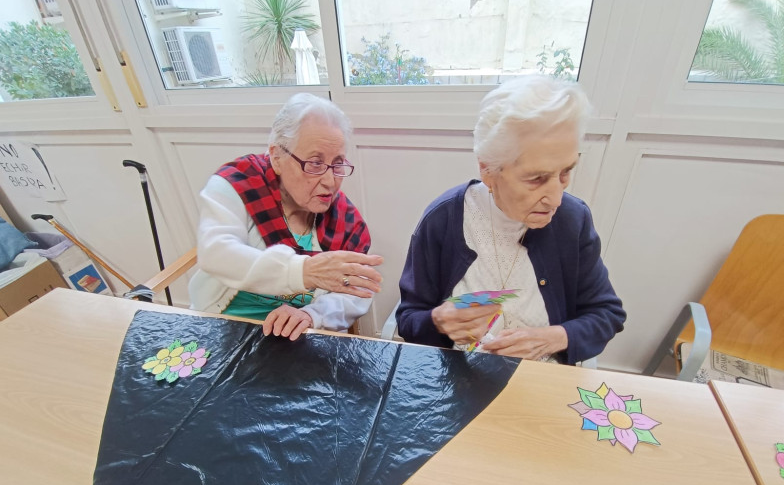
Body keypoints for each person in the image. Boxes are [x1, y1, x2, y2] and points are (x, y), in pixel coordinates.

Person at [396, 75, 625, 364]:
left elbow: (607, 314)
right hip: (460, 378)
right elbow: (408, 319)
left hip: (541, 379)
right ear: (488, 170)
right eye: (536, 178)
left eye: (565, 172)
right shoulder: (443, 220)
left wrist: (551, 339)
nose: (555, 198)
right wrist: (439, 321)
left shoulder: (572, 220)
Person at [188, 93, 383, 340]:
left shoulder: (347, 222)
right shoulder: (238, 184)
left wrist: (313, 314)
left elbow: (354, 294)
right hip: (222, 326)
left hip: (295, 336)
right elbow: (217, 253)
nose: (330, 180)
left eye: (338, 163)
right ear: (277, 157)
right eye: (315, 163)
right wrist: (303, 271)